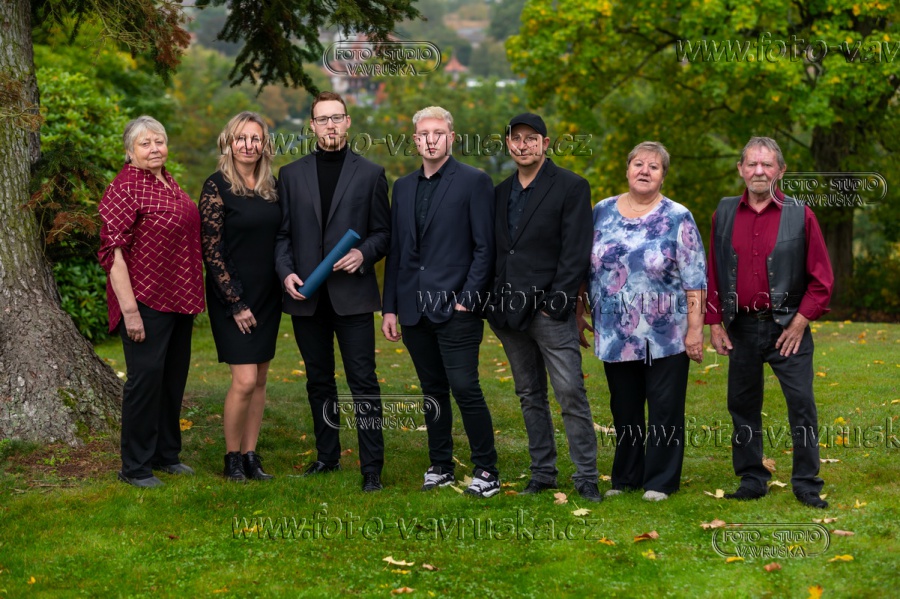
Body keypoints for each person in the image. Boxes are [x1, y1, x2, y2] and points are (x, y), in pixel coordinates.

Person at [707, 136, 833, 509]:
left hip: (787, 329)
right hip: (741, 327)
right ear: (741, 169)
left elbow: (822, 280)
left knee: (801, 403)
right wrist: (714, 322)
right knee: (742, 404)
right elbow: (713, 272)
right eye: (752, 164)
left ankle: (806, 483)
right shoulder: (724, 212)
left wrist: (800, 322)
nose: (759, 171)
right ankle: (752, 479)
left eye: (767, 164)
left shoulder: (801, 214)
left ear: (781, 171)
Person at [381, 106, 500, 498]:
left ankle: (487, 470)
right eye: (423, 134)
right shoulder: (403, 187)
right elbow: (397, 252)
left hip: (456, 306)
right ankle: (440, 466)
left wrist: (468, 300)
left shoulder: (474, 181)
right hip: (414, 308)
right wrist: (390, 307)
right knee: (432, 390)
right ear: (415, 140)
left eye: (438, 132)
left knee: (465, 386)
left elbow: (485, 248)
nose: (430, 140)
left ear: (451, 137)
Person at [275, 91, 390, 492]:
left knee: (364, 382)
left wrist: (363, 253)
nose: (330, 125)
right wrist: (285, 273)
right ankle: (327, 457)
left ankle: (372, 467)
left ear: (348, 122)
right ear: (312, 126)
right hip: (307, 297)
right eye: (322, 119)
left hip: (352, 296)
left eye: (336, 117)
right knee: (318, 381)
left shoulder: (371, 173)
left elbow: (383, 233)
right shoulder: (290, 175)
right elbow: (283, 235)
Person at [487, 113, 601, 502]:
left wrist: (558, 304)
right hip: (508, 311)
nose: (523, 145)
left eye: (531, 138)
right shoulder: (500, 192)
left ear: (545, 144)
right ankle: (543, 473)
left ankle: (586, 476)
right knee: (529, 394)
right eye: (516, 139)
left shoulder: (570, 186)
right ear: (508, 144)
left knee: (570, 392)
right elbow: (498, 250)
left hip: (550, 311)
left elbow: (576, 250)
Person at [588, 141, 706, 501]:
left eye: (653, 167)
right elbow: (584, 266)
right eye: (638, 164)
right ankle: (625, 478)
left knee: (664, 409)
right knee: (624, 409)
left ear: (663, 176)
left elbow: (695, 279)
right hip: (615, 332)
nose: (645, 171)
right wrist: (579, 309)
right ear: (627, 169)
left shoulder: (678, 216)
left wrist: (695, 330)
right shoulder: (601, 212)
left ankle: (660, 481)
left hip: (666, 334)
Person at [98, 116, 205, 488]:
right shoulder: (125, 187)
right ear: (130, 152)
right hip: (145, 300)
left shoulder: (167, 181)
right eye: (145, 143)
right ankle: (135, 467)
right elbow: (113, 254)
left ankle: (166, 455)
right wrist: (130, 312)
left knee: (171, 381)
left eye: (159, 141)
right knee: (144, 384)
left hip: (180, 298)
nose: (154, 148)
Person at [200, 112, 282, 482]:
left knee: (261, 379)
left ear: (264, 144)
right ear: (229, 142)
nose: (248, 145)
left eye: (255, 138)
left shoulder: (271, 187)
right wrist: (235, 302)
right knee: (245, 380)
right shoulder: (216, 186)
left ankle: (251, 455)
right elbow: (211, 248)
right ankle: (232, 457)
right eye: (241, 138)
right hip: (232, 294)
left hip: (268, 294)